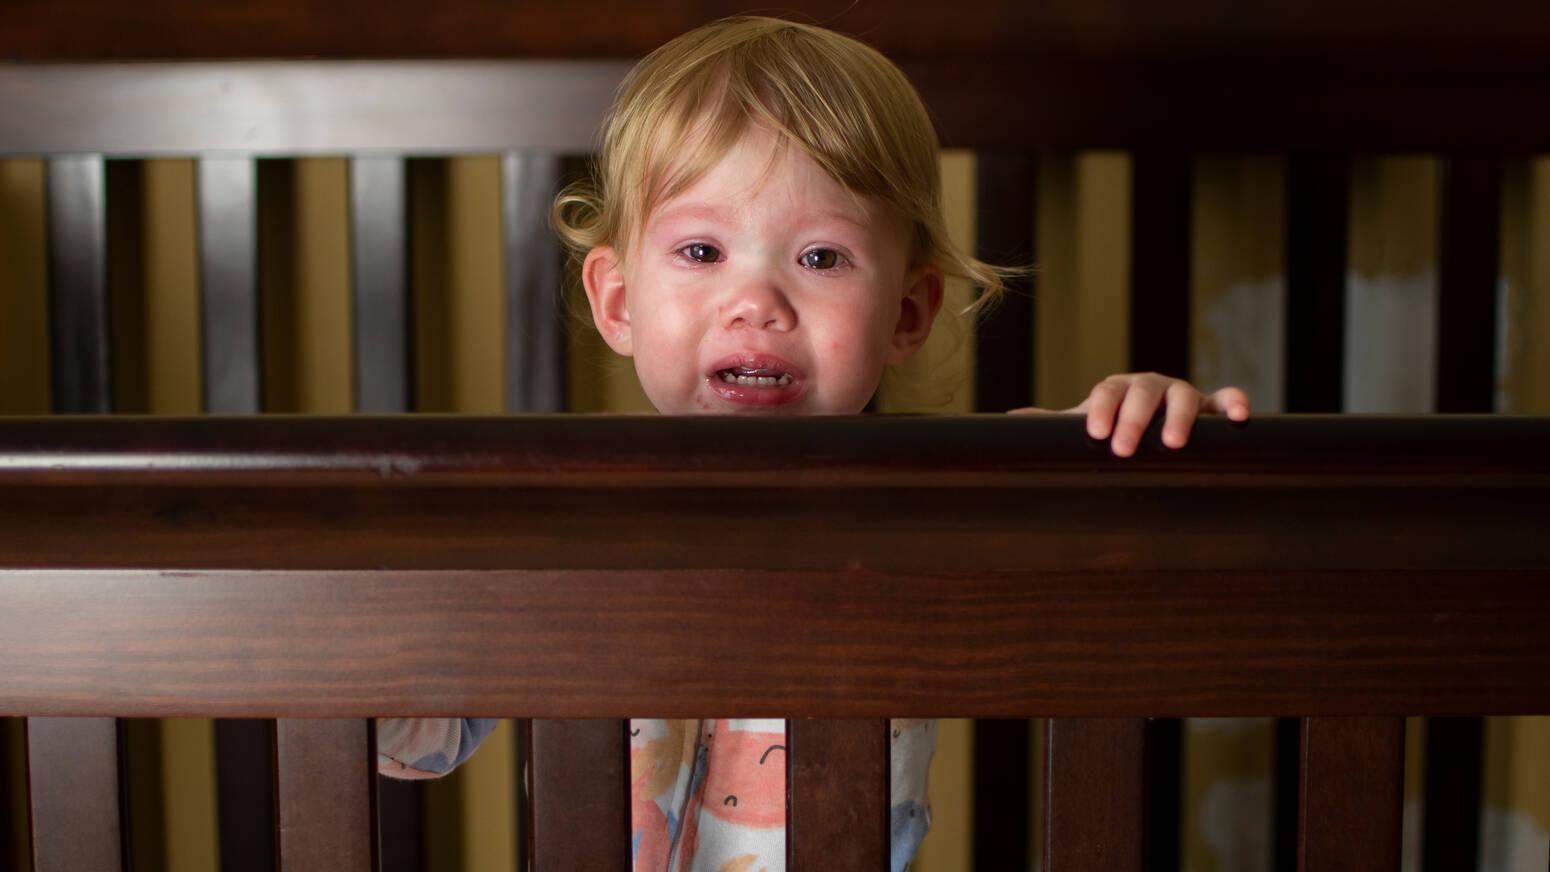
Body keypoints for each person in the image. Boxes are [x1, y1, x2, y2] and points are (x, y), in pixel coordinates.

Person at [378, 15, 1250, 872]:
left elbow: (1121, 527)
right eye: (702, 249)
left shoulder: (947, 495)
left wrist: (1148, 437)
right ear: (618, 303)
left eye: (822, 259)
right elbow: (411, 737)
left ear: (907, 312)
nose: (757, 301)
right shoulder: (560, 517)